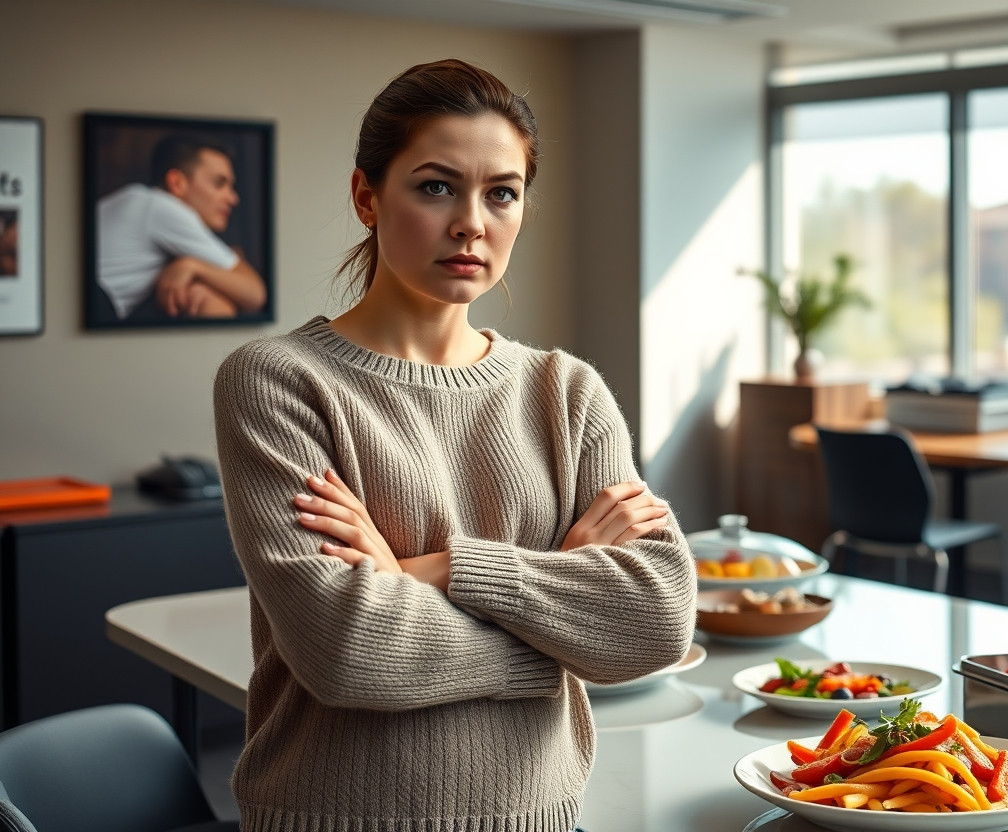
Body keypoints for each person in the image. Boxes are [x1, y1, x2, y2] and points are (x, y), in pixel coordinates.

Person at [212, 58, 695, 832]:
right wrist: (562, 635)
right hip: (334, 819)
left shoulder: (566, 392)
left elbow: (657, 622)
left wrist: (434, 571)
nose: (472, 220)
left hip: (541, 814)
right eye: (436, 186)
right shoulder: (277, 382)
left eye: (501, 192)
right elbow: (348, 650)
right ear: (367, 197)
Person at [96, 134, 266, 320]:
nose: (233, 198)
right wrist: (193, 266)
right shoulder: (160, 207)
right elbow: (255, 294)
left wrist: (192, 267)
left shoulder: (138, 200)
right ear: (177, 183)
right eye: (219, 184)